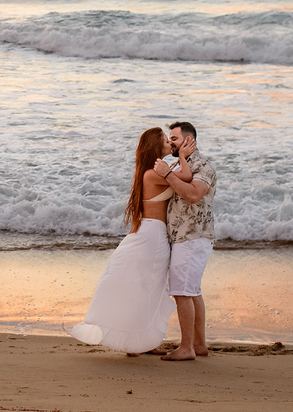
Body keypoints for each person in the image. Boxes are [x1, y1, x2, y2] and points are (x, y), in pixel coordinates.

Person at [69, 127, 191, 354]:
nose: (170, 144)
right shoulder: (152, 174)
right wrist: (183, 156)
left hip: (150, 233)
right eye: (166, 141)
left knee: (147, 289)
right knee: (148, 289)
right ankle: (139, 342)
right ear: (157, 147)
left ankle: (140, 342)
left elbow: (177, 177)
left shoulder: (152, 172)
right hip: (153, 236)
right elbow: (186, 177)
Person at [153, 121, 217, 361]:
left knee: (182, 292)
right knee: (192, 292)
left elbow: (192, 195)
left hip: (192, 237)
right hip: (183, 236)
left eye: (175, 139)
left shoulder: (203, 166)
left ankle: (186, 348)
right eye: (169, 139)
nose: (170, 143)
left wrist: (168, 174)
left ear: (189, 141)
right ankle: (198, 345)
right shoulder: (181, 165)